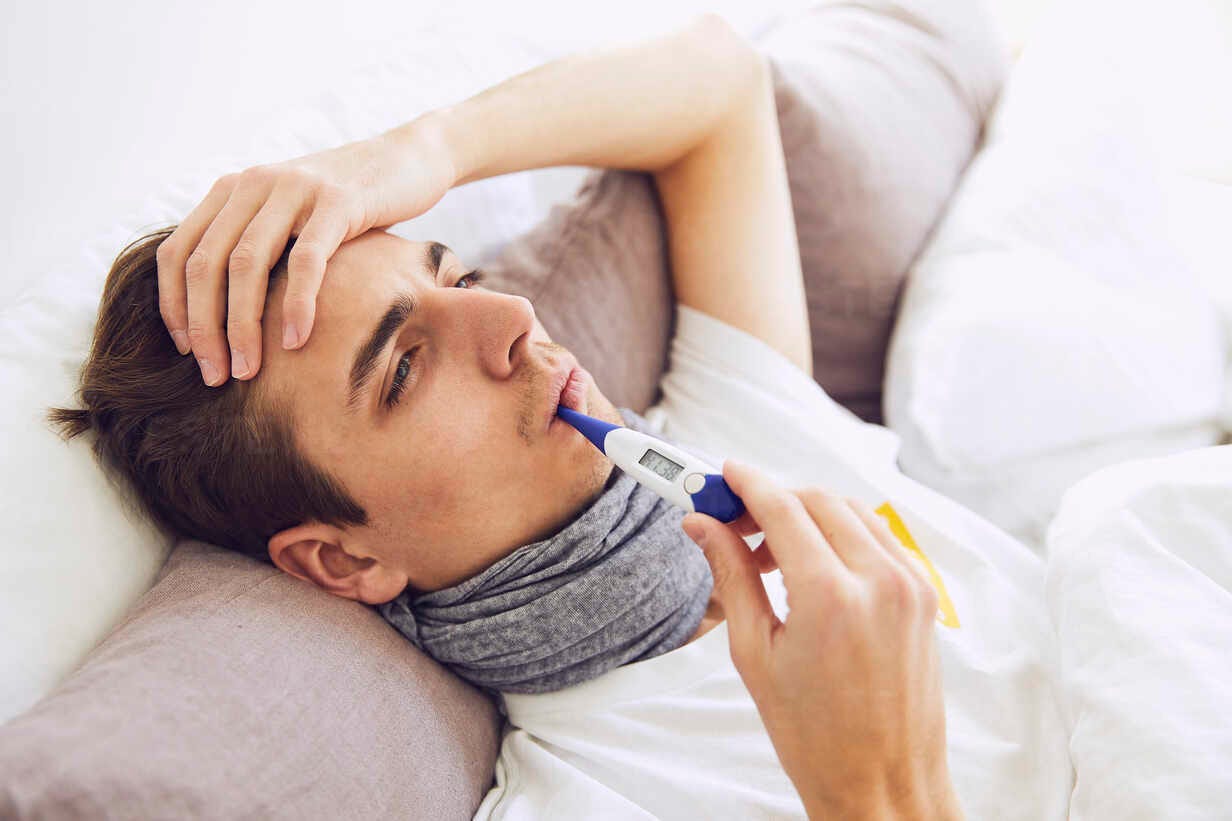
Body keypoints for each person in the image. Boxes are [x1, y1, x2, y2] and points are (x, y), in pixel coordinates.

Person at [50, 14, 1071, 818]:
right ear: (343, 561)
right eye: (403, 367)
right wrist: (873, 795)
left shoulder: (730, 420)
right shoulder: (594, 794)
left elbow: (718, 83)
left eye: (463, 274)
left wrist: (423, 150)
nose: (511, 318)